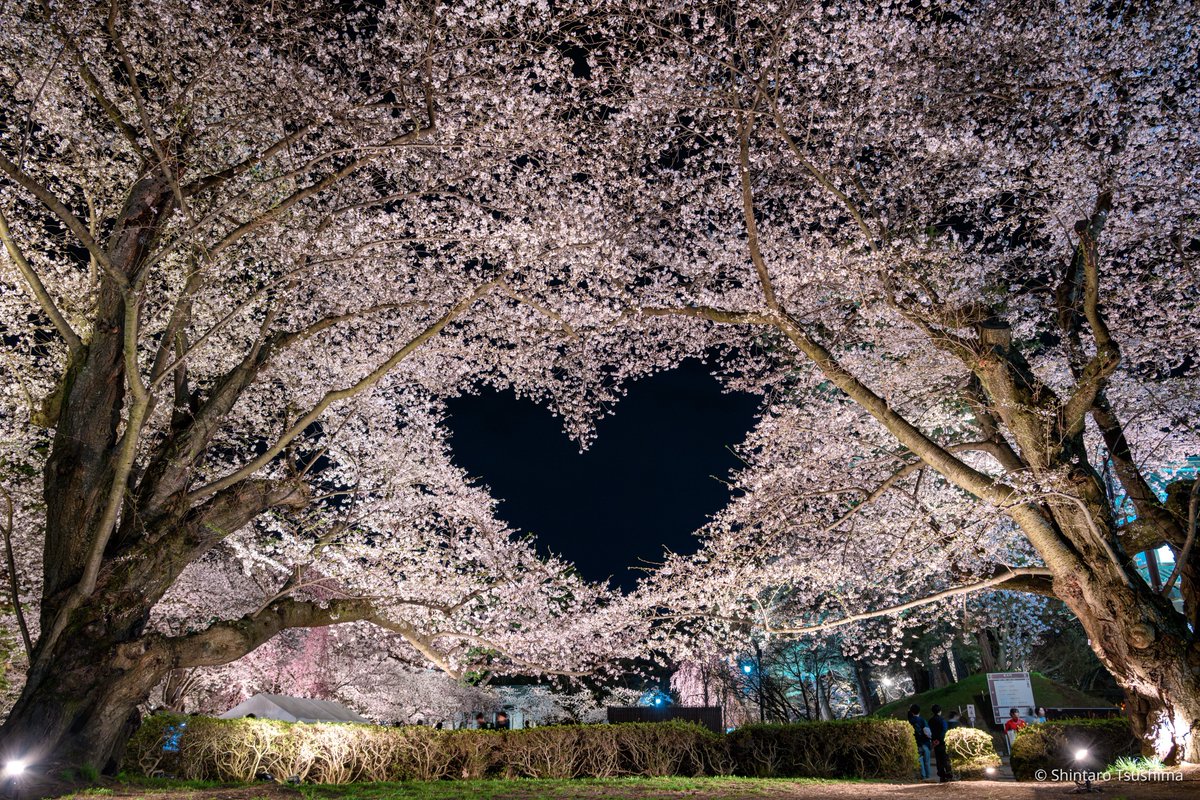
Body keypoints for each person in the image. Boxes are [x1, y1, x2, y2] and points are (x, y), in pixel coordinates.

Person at [907, 703, 933, 780]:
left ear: (911, 712)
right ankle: (928, 775)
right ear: (919, 711)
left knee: (920, 760)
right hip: (925, 743)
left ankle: (923, 775)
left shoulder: (910, 721)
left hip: (916, 743)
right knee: (927, 761)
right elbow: (927, 732)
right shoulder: (922, 720)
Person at [929, 704, 953, 782]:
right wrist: (939, 739)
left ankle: (941, 774)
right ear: (940, 711)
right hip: (942, 742)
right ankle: (948, 774)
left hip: (935, 743)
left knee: (938, 759)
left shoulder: (930, 721)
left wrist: (934, 740)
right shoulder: (942, 720)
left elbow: (930, 731)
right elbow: (944, 731)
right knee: (945, 759)